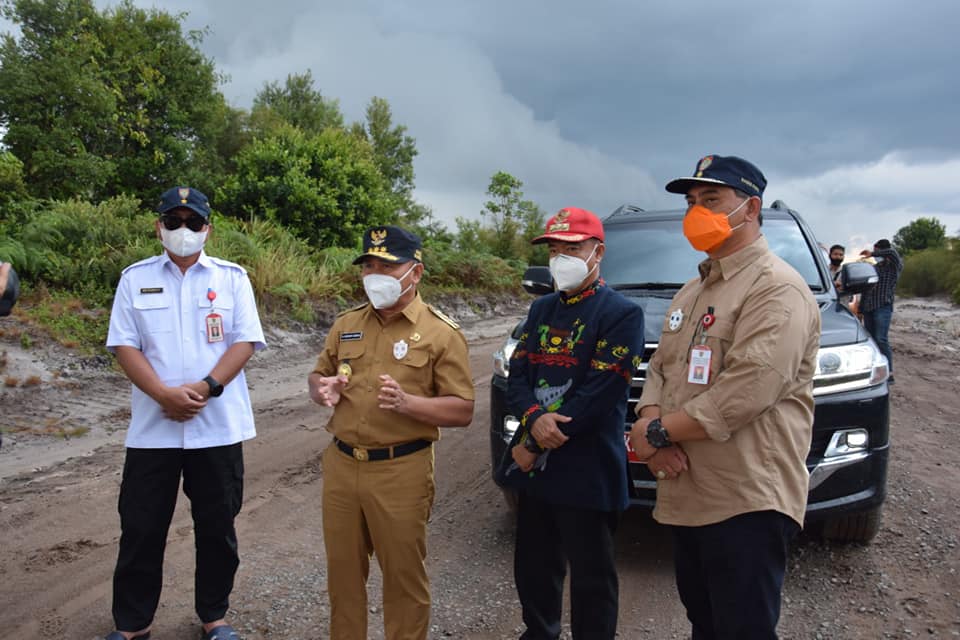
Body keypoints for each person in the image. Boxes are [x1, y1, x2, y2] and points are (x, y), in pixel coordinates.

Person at [629, 155, 820, 639]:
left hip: (745, 498)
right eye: (692, 202)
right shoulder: (692, 291)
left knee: (743, 628)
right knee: (705, 621)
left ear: (751, 207)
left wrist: (653, 433)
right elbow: (660, 368)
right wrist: (651, 421)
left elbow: (747, 391)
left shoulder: (776, 290)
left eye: (712, 199)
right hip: (690, 491)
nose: (696, 211)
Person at [103, 186, 266, 640]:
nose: (183, 230)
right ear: (158, 226)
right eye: (173, 221)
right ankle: (133, 625)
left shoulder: (232, 278)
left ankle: (215, 618)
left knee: (217, 528)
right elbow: (124, 344)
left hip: (216, 426)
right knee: (140, 528)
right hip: (154, 430)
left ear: (207, 229)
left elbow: (245, 340)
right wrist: (162, 394)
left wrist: (206, 387)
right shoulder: (134, 278)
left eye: (193, 222)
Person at [308, 225, 475, 640]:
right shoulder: (347, 323)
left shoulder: (441, 333)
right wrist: (321, 387)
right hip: (343, 466)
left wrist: (410, 405)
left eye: (386, 264)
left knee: (403, 581)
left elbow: (463, 409)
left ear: (415, 273)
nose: (374, 273)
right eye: (368, 265)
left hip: (401, 470)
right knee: (343, 578)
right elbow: (319, 374)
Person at [503, 207, 645, 639]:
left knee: (592, 577)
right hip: (538, 471)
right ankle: (539, 632)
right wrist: (533, 421)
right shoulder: (541, 309)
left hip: (588, 467)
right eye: (555, 248)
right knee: (534, 567)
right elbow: (519, 376)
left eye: (573, 247)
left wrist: (537, 440)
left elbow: (601, 393)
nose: (561, 256)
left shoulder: (621, 313)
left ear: (597, 252)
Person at [859, 239, 902, 383]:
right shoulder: (875, 268)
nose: (876, 254)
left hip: (883, 306)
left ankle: (889, 373)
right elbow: (867, 290)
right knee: (871, 340)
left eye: (877, 250)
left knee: (881, 339)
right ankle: (875, 371)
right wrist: (861, 309)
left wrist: (872, 253)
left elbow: (892, 252)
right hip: (869, 307)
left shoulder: (894, 267)